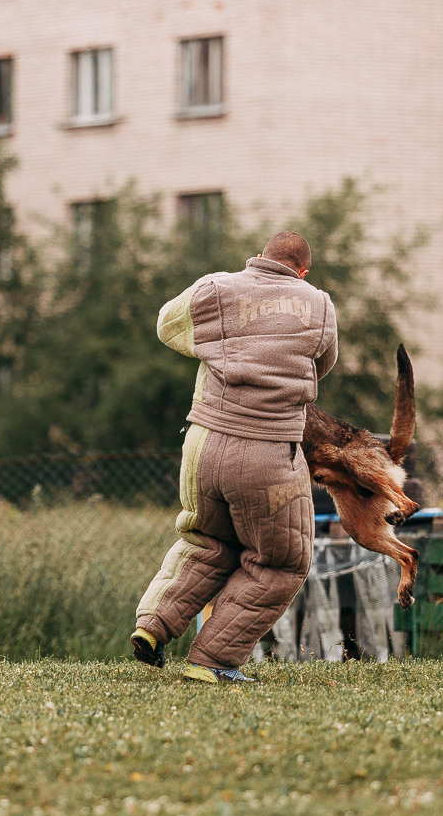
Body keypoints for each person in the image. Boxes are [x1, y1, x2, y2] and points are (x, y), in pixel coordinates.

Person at [131, 230, 339, 683]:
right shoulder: (319, 303)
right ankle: (214, 659)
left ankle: (152, 626)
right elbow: (322, 364)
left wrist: (216, 345)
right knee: (281, 561)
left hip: (203, 444)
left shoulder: (216, 288)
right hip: (268, 453)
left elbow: (167, 324)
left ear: (259, 257)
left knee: (206, 541)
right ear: (303, 271)